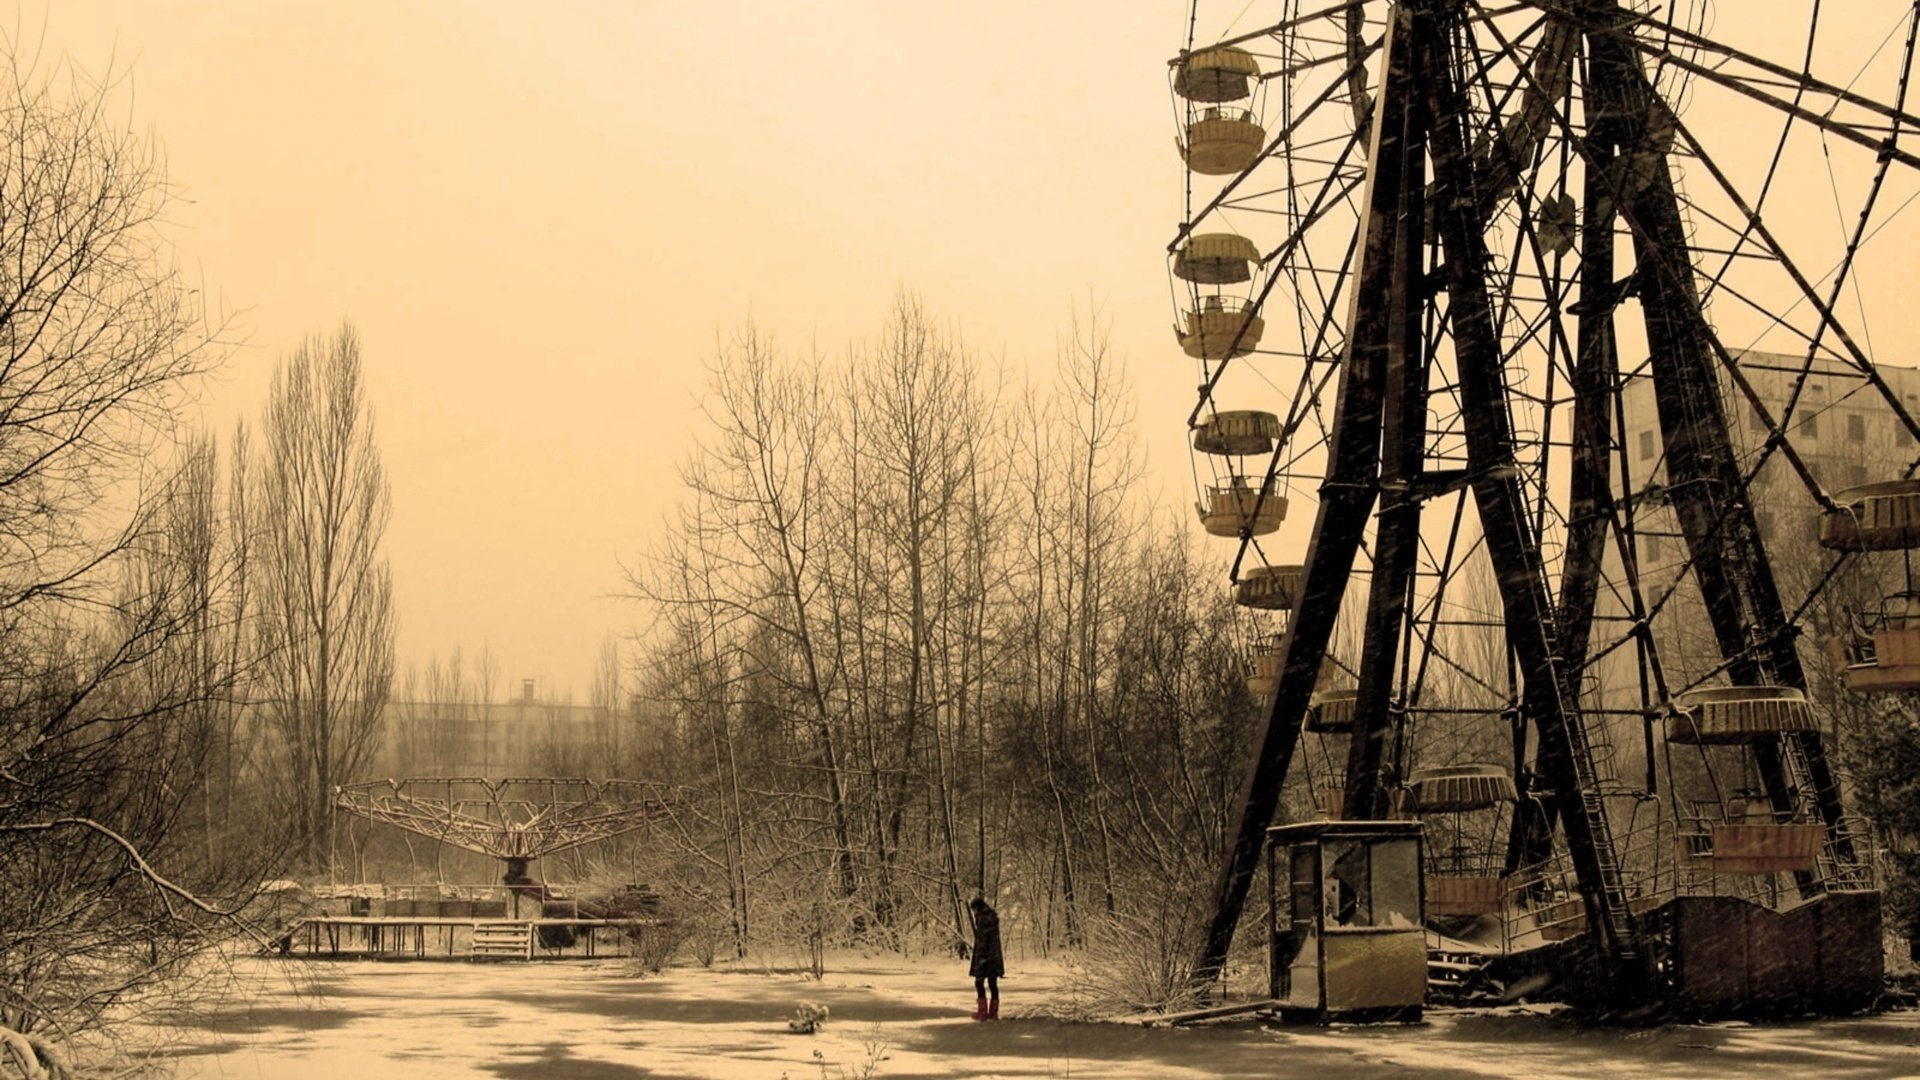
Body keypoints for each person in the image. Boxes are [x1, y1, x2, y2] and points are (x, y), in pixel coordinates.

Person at [968, 896, 1004, 1021]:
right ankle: (993, 1013)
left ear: (977, 908)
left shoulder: (983, 920)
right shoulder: (992, 918)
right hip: (994, 957)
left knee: (979, 982)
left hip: (984, 957)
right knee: (993, 983)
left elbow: (983, 942)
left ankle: (982, 1012)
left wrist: (981, 959)